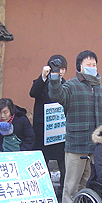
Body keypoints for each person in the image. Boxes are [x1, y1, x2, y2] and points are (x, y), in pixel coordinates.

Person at [48, 50, 102, 203]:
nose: (92, 67)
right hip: (76, 143)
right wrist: (54, 75)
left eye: (94, 64)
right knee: (71, 183)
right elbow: (56, 95)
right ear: (79, 67)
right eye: (88, 64)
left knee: (86, 183)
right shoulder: (71, 86)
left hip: (97, 145)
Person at [29, 54, 67, 193]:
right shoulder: (41, 82)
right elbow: (33, 93)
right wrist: (43, 76)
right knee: (42, 165)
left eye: (63, 68)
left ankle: (63, 194)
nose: (60, 71)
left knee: (63, 165)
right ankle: (43, 191)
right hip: (42, 131)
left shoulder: (66, 85)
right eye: (57, 68)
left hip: (60, 132)